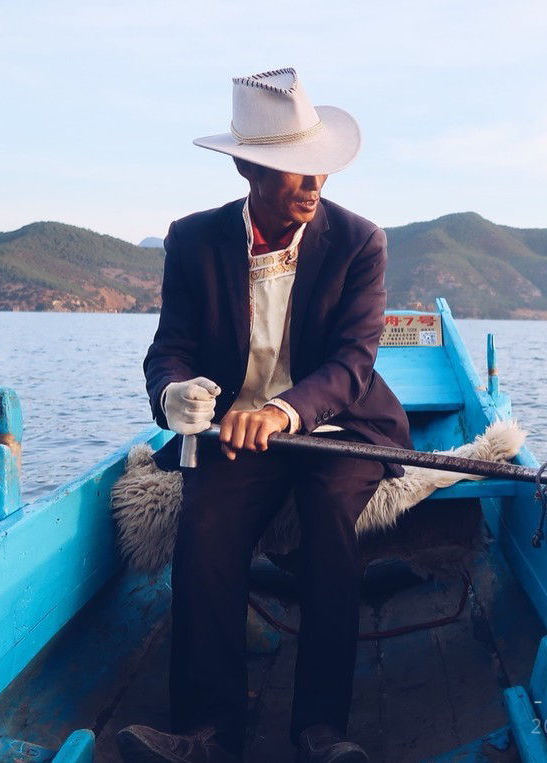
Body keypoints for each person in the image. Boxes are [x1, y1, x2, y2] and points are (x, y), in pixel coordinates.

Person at [117, 68, 409, 763]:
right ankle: (208, 730)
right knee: (207, 518)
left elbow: (352, 364)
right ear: (248, 167)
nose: (315, 182)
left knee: (329, 511)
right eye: (294, 169)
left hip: (338, 427)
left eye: (320, 168)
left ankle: (320, 730)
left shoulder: (361, 241)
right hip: (237, 433)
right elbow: (172, 347)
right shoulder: (191, 241)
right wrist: (175, 393)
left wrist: (284, 411)